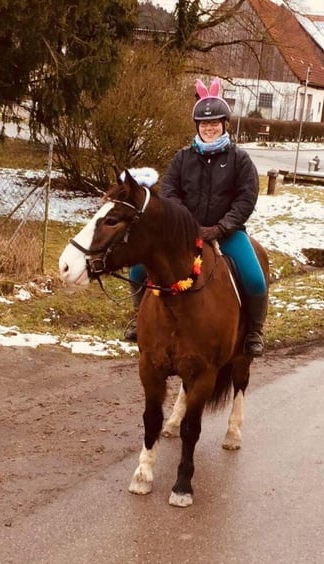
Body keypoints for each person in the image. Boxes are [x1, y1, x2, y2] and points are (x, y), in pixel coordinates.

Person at [124, 77, 269, 356]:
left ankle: (253, 331)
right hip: (183, 235)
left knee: (254, 278)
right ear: (197, 127)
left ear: (224, 124)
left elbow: (246, 198)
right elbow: (170, 192)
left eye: (215, 123)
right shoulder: (182, 158)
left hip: (227, 233)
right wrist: (185, 226)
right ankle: (136, 318)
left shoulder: (240, 160)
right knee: (137, 269)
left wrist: (220, 228)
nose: (210, 128)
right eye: (204, 124)